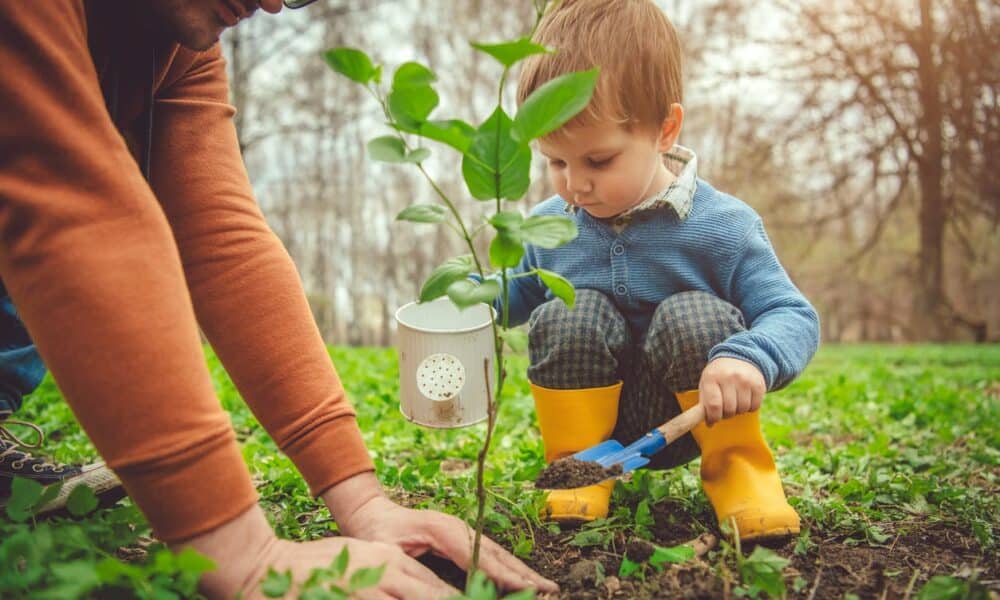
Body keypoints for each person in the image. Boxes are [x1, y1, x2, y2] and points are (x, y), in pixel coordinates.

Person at [0, 1, 557, 598]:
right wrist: (240, 550)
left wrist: (362, 500)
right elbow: (65, 203)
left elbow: (219, 238)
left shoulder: (176, 46)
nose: (270, 2)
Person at [500, 0, 820, 541]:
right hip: (597, 421)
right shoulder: (549, 226)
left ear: (665, 129)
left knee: (691, 313)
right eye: (555, 161)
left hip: (699, 415)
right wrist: (466, 298)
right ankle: (579, 473)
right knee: (568, 311)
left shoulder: (724, 226)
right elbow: (518, 296)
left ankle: (740, 473)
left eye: (597, 161)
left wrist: (750, 360)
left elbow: (793, 314)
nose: (574, 185)